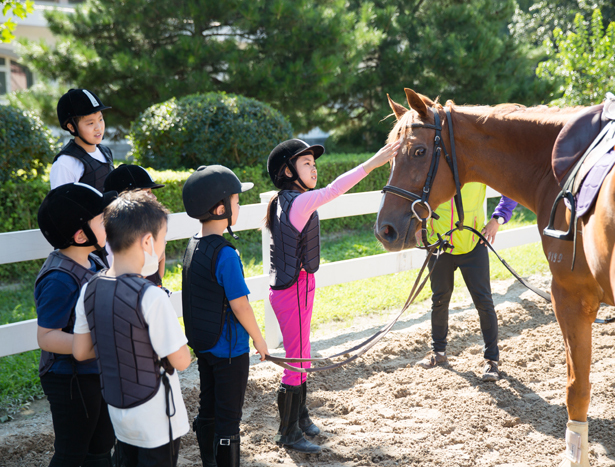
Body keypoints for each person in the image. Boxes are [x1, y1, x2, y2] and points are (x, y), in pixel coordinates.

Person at [264, 138, 400, 453]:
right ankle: (288, 433)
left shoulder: (291, 198)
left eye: (314, 163)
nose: (314, 169)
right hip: (293, 290)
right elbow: (335, 190)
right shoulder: (299, 201)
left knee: (302, 356)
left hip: (300, 287)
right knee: (296, 362)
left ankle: (301, 418)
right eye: (306, 164)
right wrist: (374, 163)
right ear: (288, 171)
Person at [72, 190, 191, 467]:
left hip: (120, 414)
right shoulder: (151, 296)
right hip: (158, 420)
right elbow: (182, 360)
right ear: (148, 241)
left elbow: (80, 351)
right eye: (162, 240)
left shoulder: (90, 288)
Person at [181, 165, 269, 467]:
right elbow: (240, 305)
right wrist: (260, 340)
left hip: (204, 345)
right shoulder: (226, 254)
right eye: (236, 200)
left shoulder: (193, 245)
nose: (239, 205)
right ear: (220, 208)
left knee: (209, 408)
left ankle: (208, 461)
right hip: (231, 350)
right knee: (229, 418)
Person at [35, 182, 117, 467]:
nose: (108, 221)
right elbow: (46, 336)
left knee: (102, 445)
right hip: (68, 378)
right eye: (101, 219)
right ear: (81, 235)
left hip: (96, 371)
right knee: (72, 451)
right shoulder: (59, 277)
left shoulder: (94, 261)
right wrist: (87, 346)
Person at [416, 182, 517, 382]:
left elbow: (511, 186)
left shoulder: (476, 164)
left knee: (484, 302)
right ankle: (439, 353)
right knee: (439, 299)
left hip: (474, 244)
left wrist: (498, 218)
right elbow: (416, 194)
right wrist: (419, 225)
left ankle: (492, 361)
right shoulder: (437, 165)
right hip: (440, 244)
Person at [103, 164, 167, 286]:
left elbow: (159, 275)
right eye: (147, 192)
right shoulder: (114, 236)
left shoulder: (147, 229)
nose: (154, 197)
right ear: (127, 198)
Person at [51, 88, 114, 192]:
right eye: (90, 123)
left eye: (100, 119)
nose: (98, 127)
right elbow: (61, 206)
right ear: (72, 127)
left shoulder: (105, 152)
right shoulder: (66, 163)